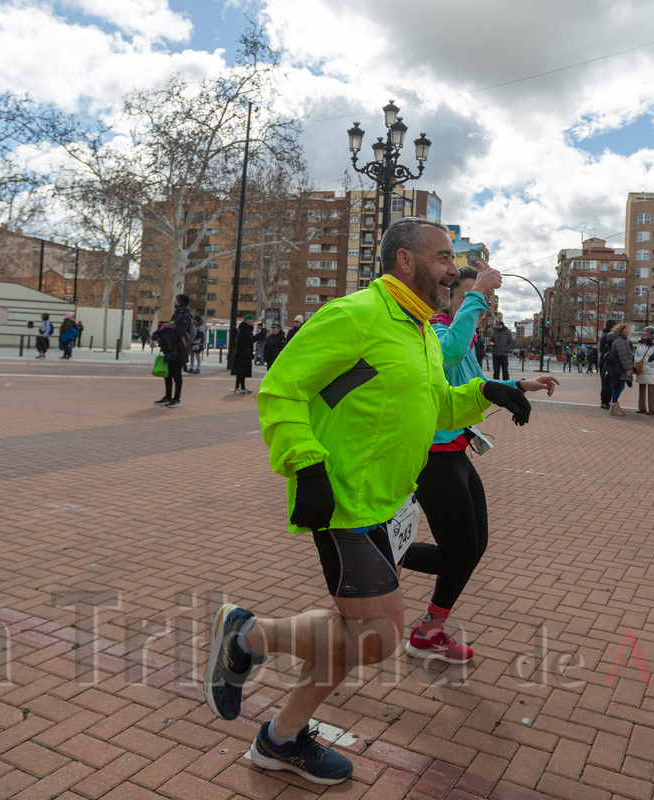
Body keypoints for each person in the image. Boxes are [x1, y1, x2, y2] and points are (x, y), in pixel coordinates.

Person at [203, 217, 532, 785]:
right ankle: (249, 641)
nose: (455, 269)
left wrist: (486, 392)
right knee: (377, 636)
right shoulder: (355, 316)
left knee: (359, 632)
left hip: (387, 502)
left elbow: (434, 410)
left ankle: (278, 733)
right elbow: (282, 387)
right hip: (344, 502)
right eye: (443, 257)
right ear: (405, 260)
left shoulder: (423, 330)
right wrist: (304, 463)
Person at [404, 264, 558, 664]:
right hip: (432, 456)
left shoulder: (462, 334)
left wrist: (522, 385)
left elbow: (473, 380)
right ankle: (378, 549)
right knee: (459, 553)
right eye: (470, 296)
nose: (480, 304)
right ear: (449, 297)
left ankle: (429, 630)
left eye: (482, 298)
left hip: (456, 449)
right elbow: (448, 355)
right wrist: (478, 295)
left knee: (474, 546)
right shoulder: (431, 329)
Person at [603, 323, 635, 416]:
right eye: (626, 329)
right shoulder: (620, 341)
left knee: (619, 386)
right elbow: (623, 356)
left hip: (619, 367)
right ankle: (614, 406)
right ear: (621, 330)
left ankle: (615, 404)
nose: (628, 330)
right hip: (620, 368)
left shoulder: (622, 340)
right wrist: (626, 368)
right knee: (619, 387)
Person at [634, 327, 654, 415]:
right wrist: (637, 361)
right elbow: (636, 354)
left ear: (651, 333)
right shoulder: (640, 343)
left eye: (647, 332)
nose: (645, 333)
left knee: (651, 389)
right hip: (640, 368)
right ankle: (642, 408)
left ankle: (653, 408)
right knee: (641, 388)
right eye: (644, 331)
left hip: (649, 370)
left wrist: (651, 364)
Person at [230, 315, 256, 394]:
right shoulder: (245, 330)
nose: (254, 322)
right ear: (249, 321)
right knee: (240, 371)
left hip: (244, 353)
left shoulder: (245, 329)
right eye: (253, 321)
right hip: (242, 354)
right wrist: (259, 336)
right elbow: (249, 341)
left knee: (243, 372)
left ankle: (242, 387)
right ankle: (237, 387)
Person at [598, 320, 617, 408]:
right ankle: (605, 401)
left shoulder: (604, 335)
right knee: (607, 383)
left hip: (604, 361)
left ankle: (605, 401)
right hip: (607, 362)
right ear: (613, 326)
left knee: (605, 382)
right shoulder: (608, 336)